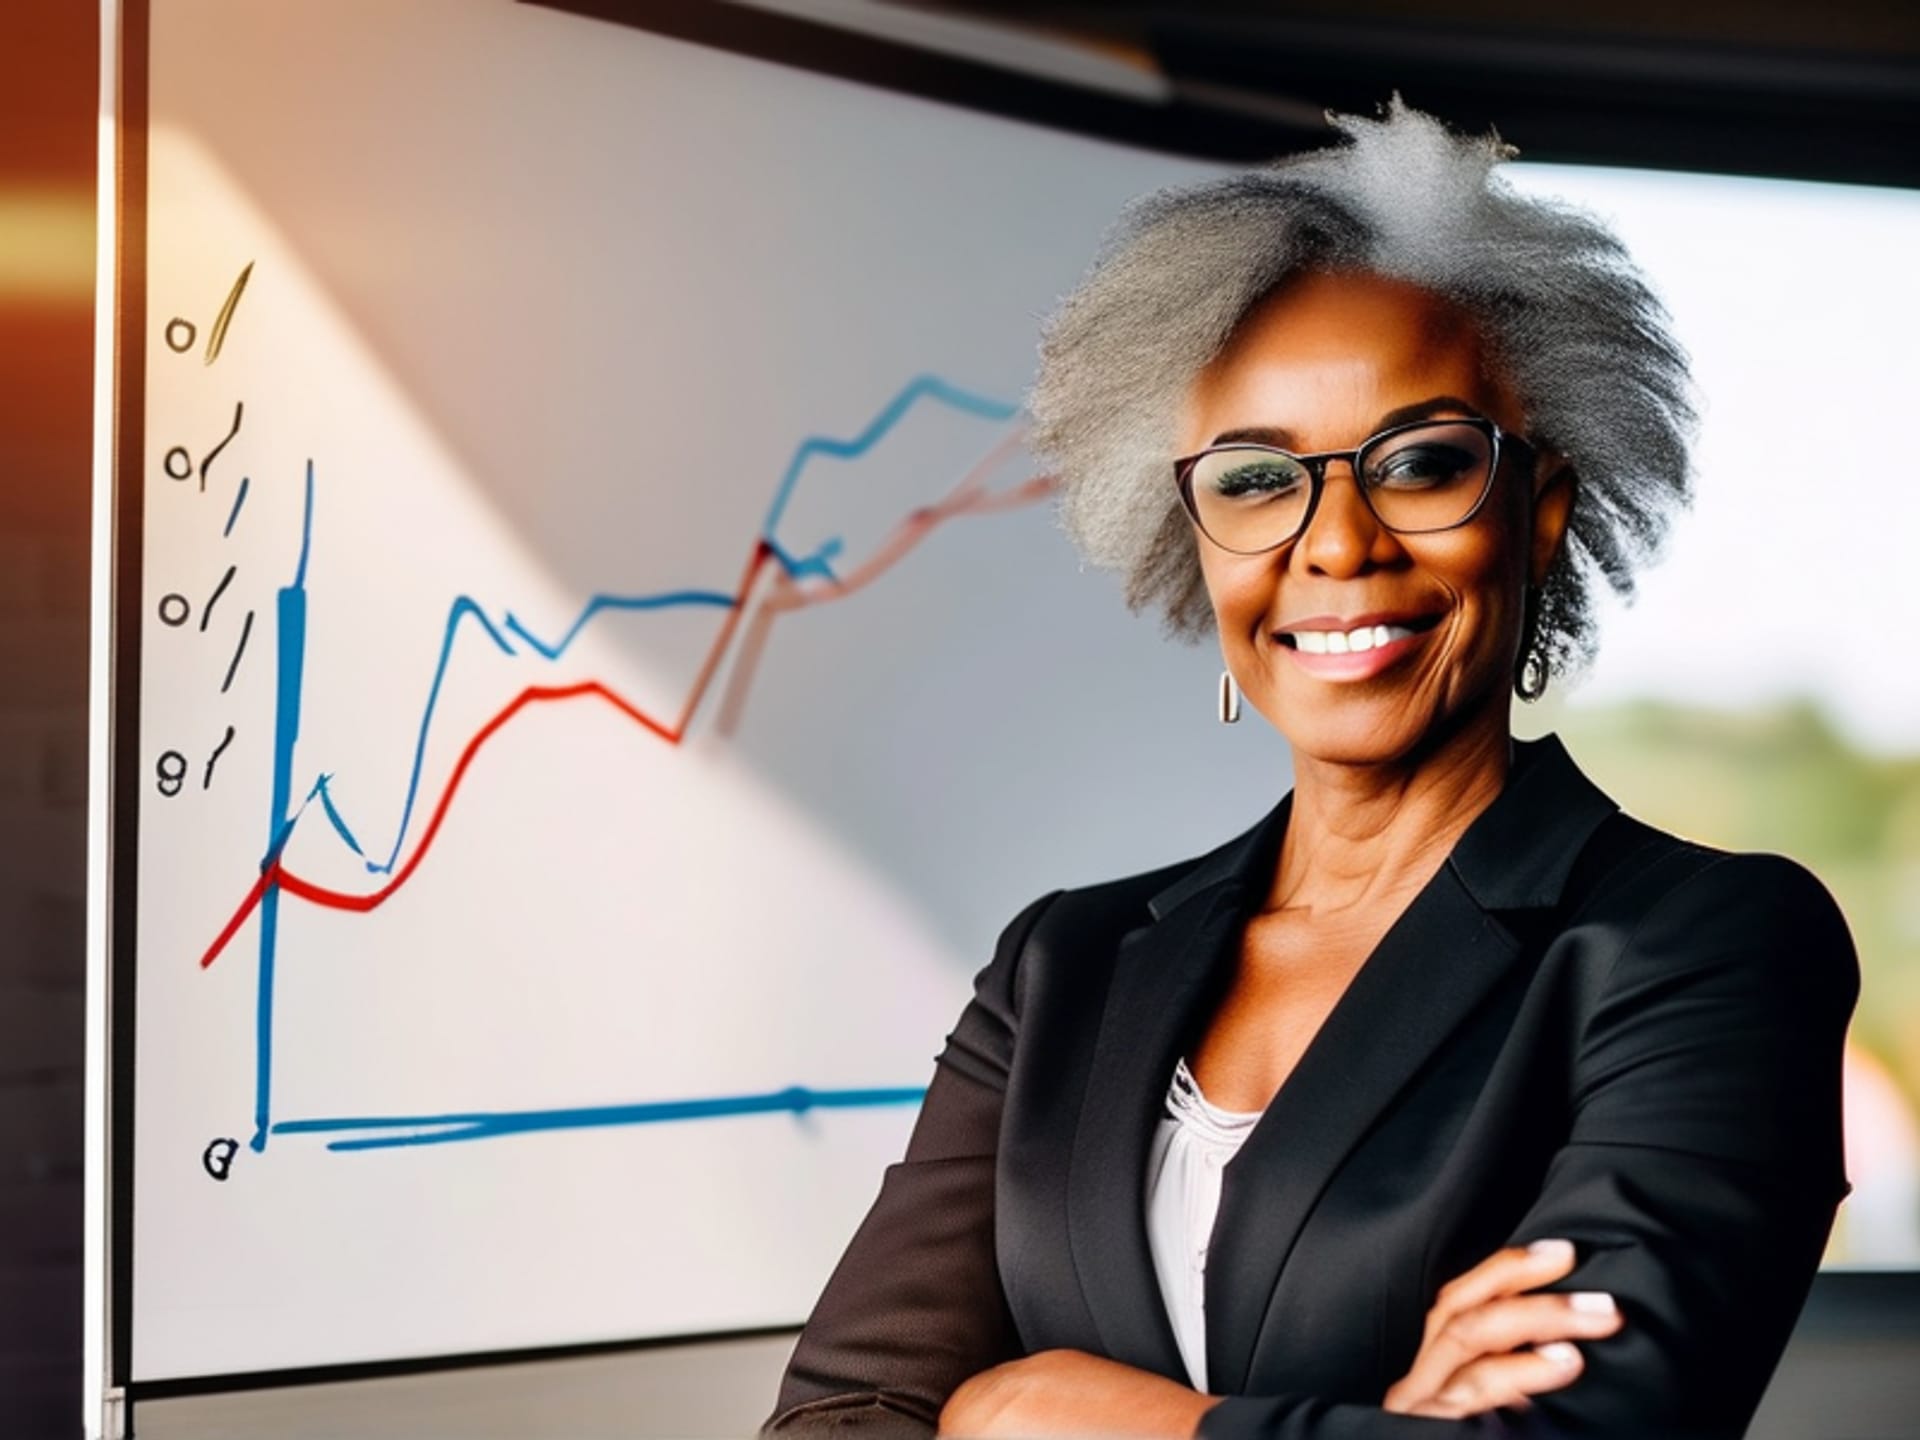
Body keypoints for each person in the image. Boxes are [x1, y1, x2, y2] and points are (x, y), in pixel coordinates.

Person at [761, 98, 1857, 1439]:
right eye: (1257, 480)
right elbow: (836, 1418)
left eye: (1421, 464)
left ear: (1542, 510)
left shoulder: (1705, 943)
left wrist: (1038, 1411)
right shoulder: (1066, 965)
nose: (1336, 544)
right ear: (1198, 535)